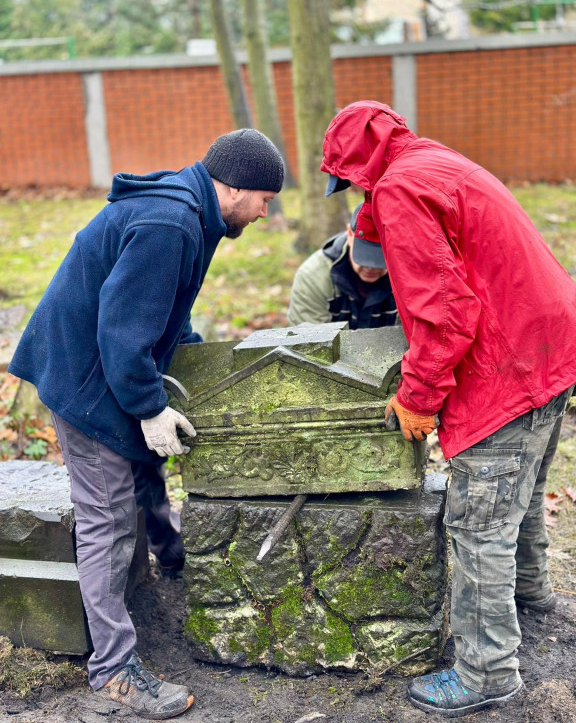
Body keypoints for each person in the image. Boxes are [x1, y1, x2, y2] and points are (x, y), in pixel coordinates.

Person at [9, 129, 284, 720]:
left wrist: (196, 363)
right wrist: (148, 407)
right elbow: (122, 331)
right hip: (86, 376)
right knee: (107, 519)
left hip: (105, 364)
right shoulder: (170, 223)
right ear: (235, 187)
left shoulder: (195, 215)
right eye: (265, 199)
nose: (266, 213)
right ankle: (113, 669)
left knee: (146, 470)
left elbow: (167, 309)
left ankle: (172, 558)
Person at [321, 100, 576, 718]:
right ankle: (531, 592)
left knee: (480, 523)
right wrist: (375, 215)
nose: (356, 192)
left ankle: (487, 672)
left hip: (505, 365)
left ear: (359, 166)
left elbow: (445, 313)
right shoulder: (432, 162)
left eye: (352, 182)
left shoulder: (401, 190)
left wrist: (418, 396)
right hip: (549, 345)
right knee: (520, 493)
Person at [287, 204, 397, 328]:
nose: (371, 267)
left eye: (379, 258)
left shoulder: (408, 277)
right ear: (350, 234)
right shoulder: (313, 277)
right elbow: (309, 337)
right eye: (364, 255)